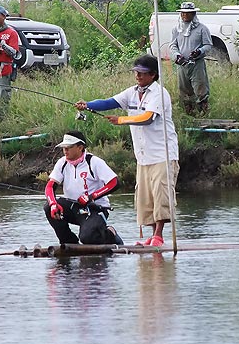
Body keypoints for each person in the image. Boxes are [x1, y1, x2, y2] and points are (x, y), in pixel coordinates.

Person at [76, 55, 180, 247]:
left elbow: (148, 117)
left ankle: (159, 235)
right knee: (146, 197)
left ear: (152, 75)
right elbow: (109, 102)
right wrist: (88, 105)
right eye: (136, 72)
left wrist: (121, 120)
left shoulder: (160, 93)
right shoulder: (132, 92)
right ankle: (151, 235)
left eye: (141, 73)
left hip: (163, 154)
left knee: (161, 195)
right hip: (143, 156)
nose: (138, 76)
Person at [44, 131, 124, 246]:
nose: (65, 151)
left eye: (69, 147)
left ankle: (110, 234)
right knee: (48, 208)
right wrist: (53, 204)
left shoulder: (94, 162)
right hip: (74, 207)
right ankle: (69, 242)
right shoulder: (62, 163)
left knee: (87, 238)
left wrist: (92, 197)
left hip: (95, 209)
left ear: (80, 147)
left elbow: (114, 182)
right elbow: (50, 186)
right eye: (63, 148)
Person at [169, 1, 213, 115]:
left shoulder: (202, 29)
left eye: (188, 13)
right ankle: (189, 113)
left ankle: (203, 112)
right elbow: (173, 45)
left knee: (201, 88)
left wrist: (199, 51)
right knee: (184, 89)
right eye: (183, 13)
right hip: (182, 64)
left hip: (197, 63)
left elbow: (208, 45)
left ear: (193, 14)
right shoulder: (176, 29)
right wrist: (177, 56)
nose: (185, 16)